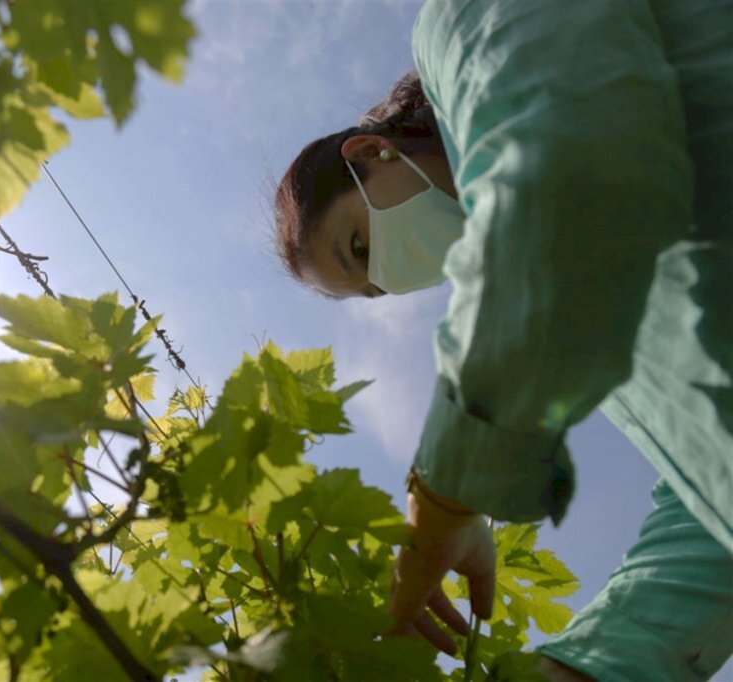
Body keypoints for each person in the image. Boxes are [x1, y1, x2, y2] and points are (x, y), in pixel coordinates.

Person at [273, 0, 732, 680]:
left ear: (372, 152)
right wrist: (577, 668)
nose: (391, 277)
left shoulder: (469, 18)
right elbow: (708, 505)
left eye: (360, 246)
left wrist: (443, 498)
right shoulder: (578, 324)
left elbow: (569, 170)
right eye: (375, 289)